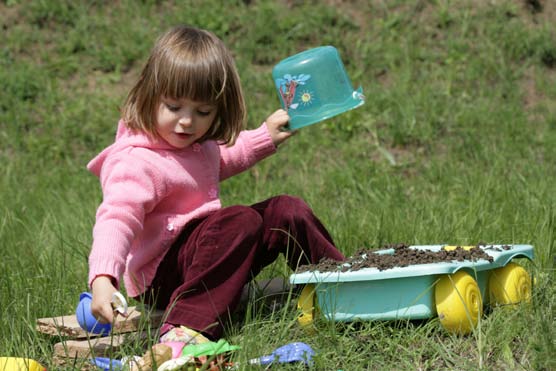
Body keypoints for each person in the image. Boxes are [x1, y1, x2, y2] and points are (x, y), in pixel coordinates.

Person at [87, 25, 344, 342]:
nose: (187, 121)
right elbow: (117, 217)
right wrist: (103, 277)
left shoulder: (194, 146)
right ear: (149, 95)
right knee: (239, 220)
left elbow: (223, 158)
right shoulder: (135, 162)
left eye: (203, 111)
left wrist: (266, 135)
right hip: (163, 276)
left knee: (286, 210)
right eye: (174, 106)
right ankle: (186, 329)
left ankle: (340, 286)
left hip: (210, 254)